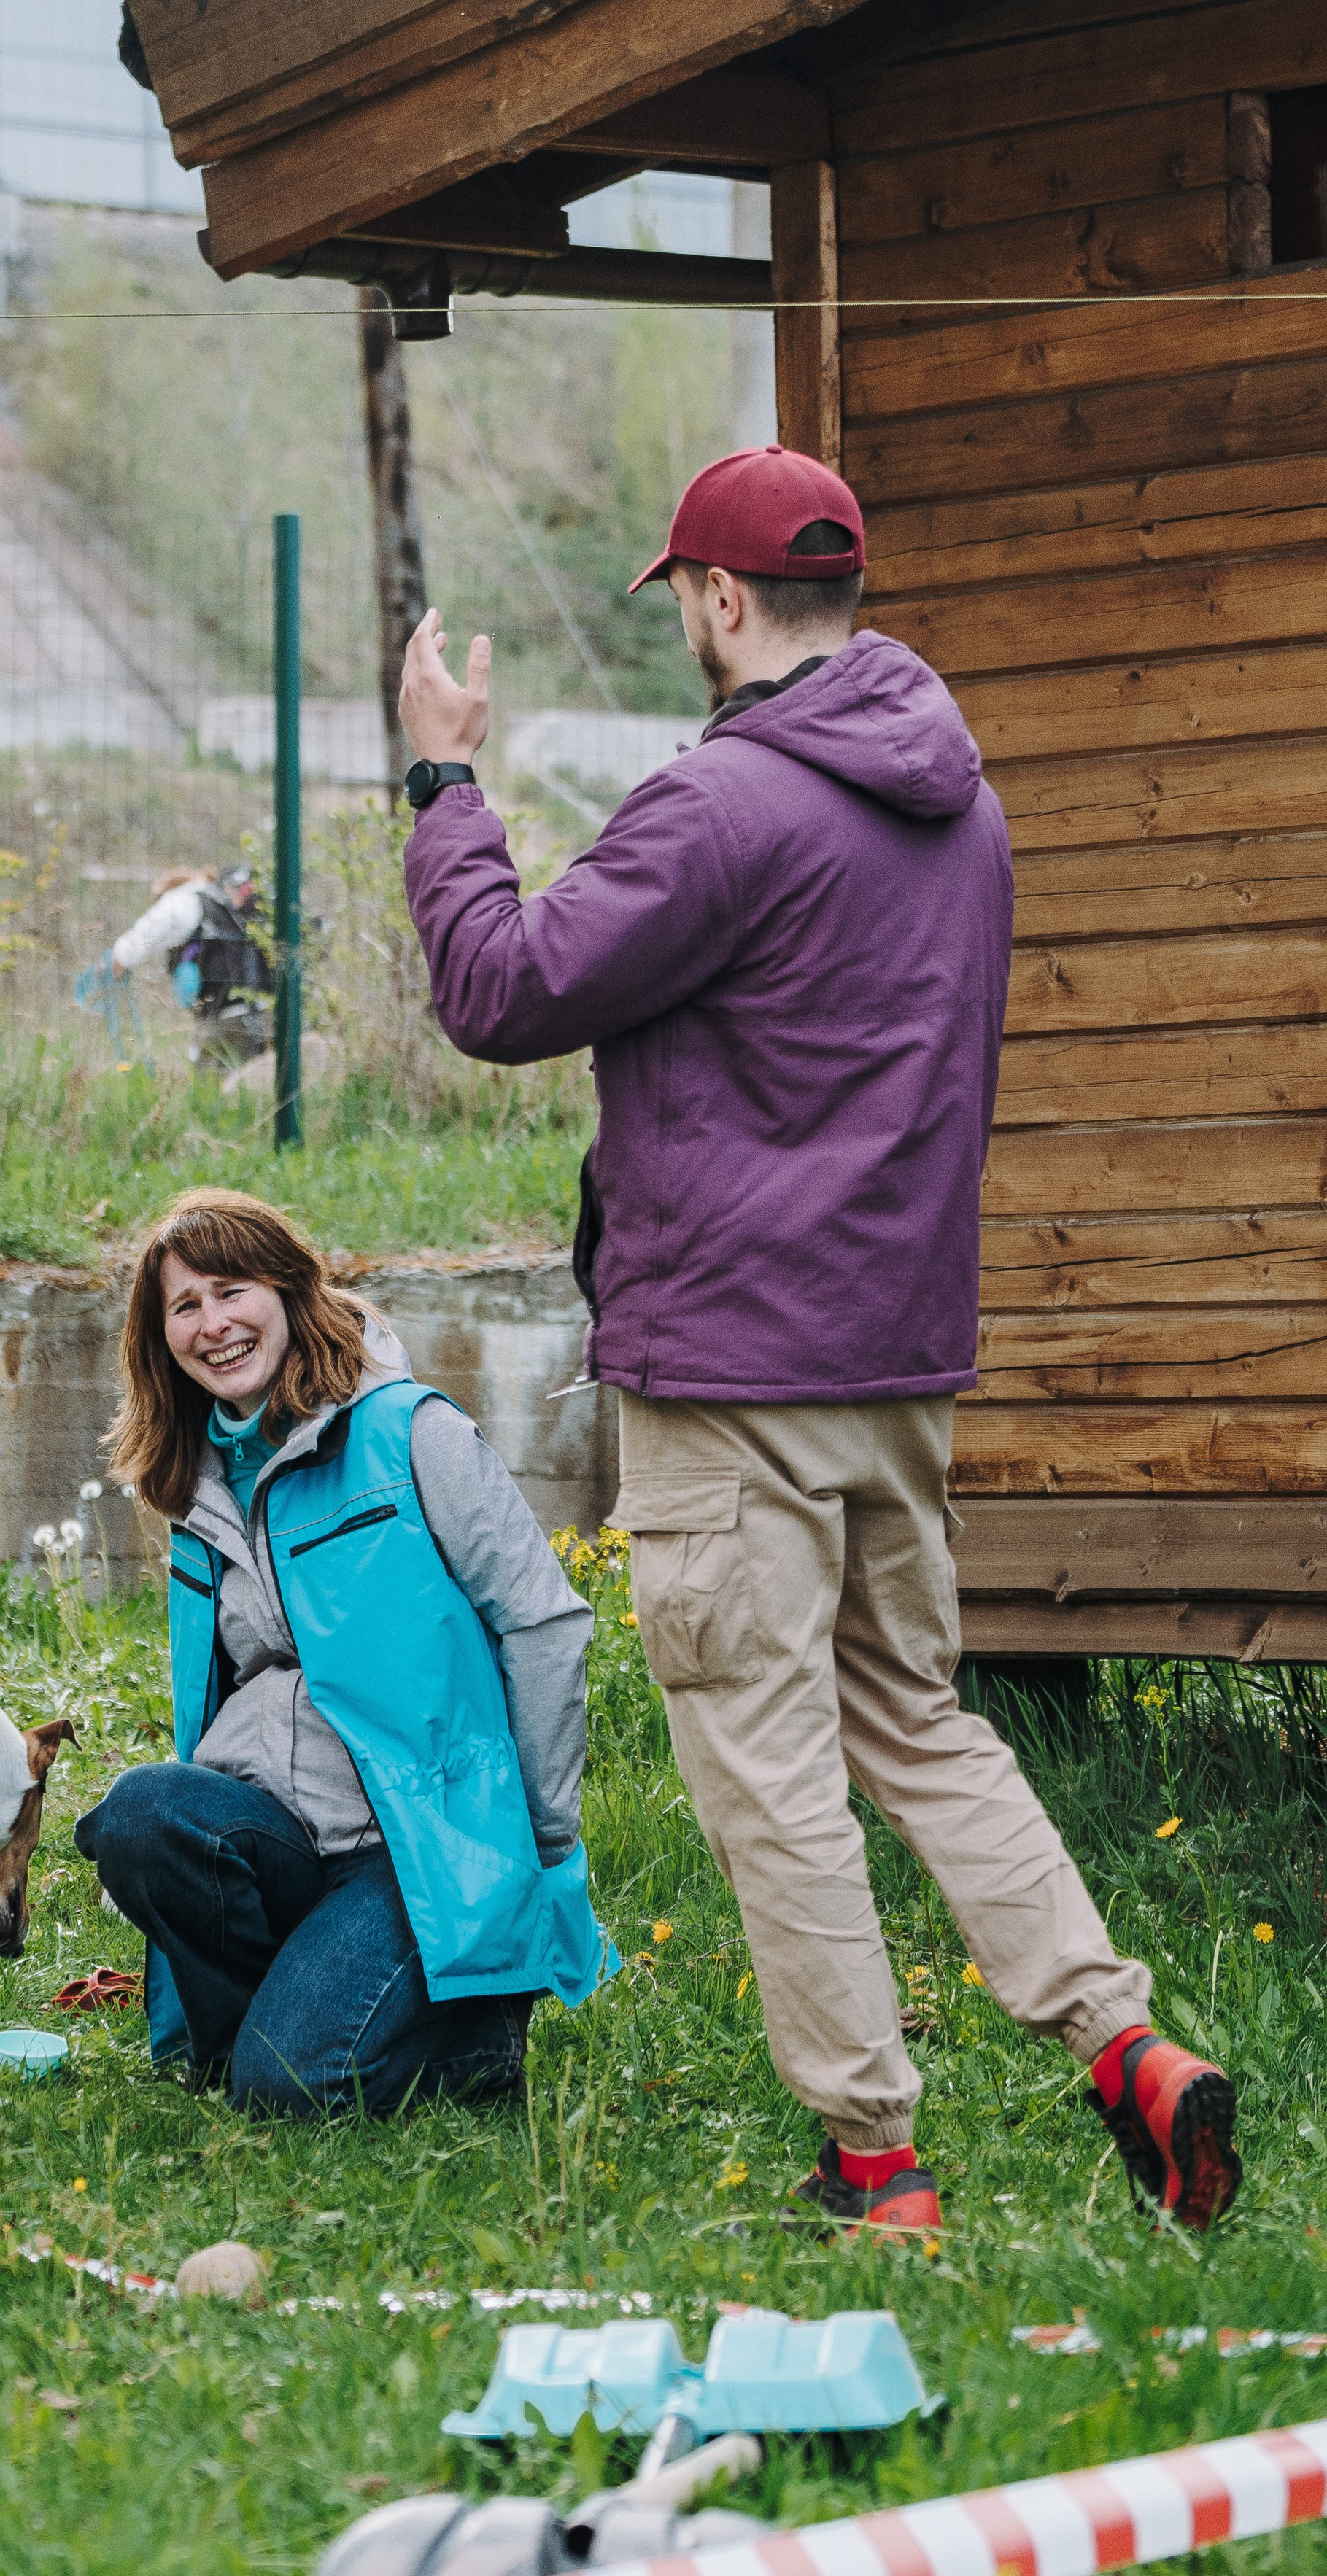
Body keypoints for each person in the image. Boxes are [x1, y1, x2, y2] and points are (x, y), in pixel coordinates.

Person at [395, 443, 1242, 2233]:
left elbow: (500, 988)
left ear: (715, 597)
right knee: (914, 1720)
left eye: (682, 597)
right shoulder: (961, 806)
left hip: (731, 1372)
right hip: (895, 1359)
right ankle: (1123, 2046)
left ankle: (874, 2162)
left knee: (769, 1770)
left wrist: (443, 779)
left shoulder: (720, 807)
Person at [74, 1187, 616, 2113]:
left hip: (416, 1844)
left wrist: (538, 1835)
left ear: (288, 1290)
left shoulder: (411, 1432)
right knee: (138, 1811)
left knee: (292, 2086)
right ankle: (265, 2027)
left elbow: (541, 1622)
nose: (213, 1324)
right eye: (185, 1304)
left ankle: (472, 2036)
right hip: (283, 1828)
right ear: (159, 1336)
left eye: (232, 1290)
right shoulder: (196, 1481)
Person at [110, 864, 273, 1065]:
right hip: (268, 1011)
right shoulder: (223, 901)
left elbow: (139, 940)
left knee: (210, 1082)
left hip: (225, 1018)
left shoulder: (183, 899)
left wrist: (116, 963)